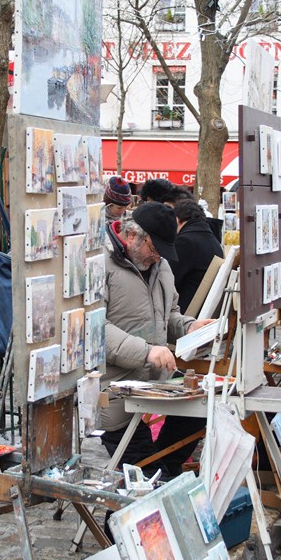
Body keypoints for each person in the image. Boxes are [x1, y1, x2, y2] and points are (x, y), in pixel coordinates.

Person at [98, 202, 213, 477]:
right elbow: (94, 330)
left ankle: (165, 474)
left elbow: (169, 314)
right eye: (155, 248)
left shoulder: (159, 266)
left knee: (201, 412)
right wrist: (146, 352)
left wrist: (190, 327)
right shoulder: (100, 263)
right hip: (114, 389)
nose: (158, 257)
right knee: (145, 473)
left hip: (153, 385)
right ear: (134, 235)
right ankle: (140, 498)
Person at [169, 199, 224, 313]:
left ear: (177, 220)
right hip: (204, 309)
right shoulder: (214, 241)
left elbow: (169, 280)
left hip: (184, 311)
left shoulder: (185, 241)